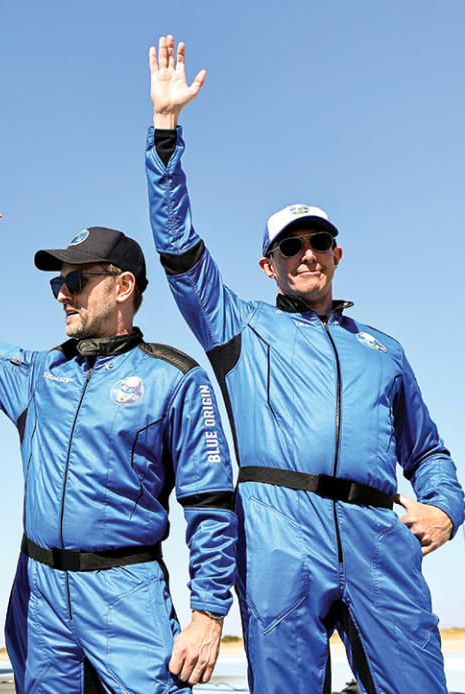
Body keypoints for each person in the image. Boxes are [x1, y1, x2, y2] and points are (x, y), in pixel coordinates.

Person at [145, 35, 465, 693]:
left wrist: (446, 509)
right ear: (270, 264)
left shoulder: (384, 350)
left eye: (319, 240)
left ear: (338, 254)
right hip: (280, 538)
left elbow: (427, 450)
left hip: (381, 539)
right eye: (291, 246)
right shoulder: (238, 325)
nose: (307, 253)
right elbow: (177, 247)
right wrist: (166, 132)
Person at [0, 186, 237, 691]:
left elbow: (211, 504)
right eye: (59, 284)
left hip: (125, 593)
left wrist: (208, 614)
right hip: (38, 597)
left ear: (123, 286)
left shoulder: (174, 379)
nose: (63, 293)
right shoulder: (39, 375)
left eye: (77, 280)